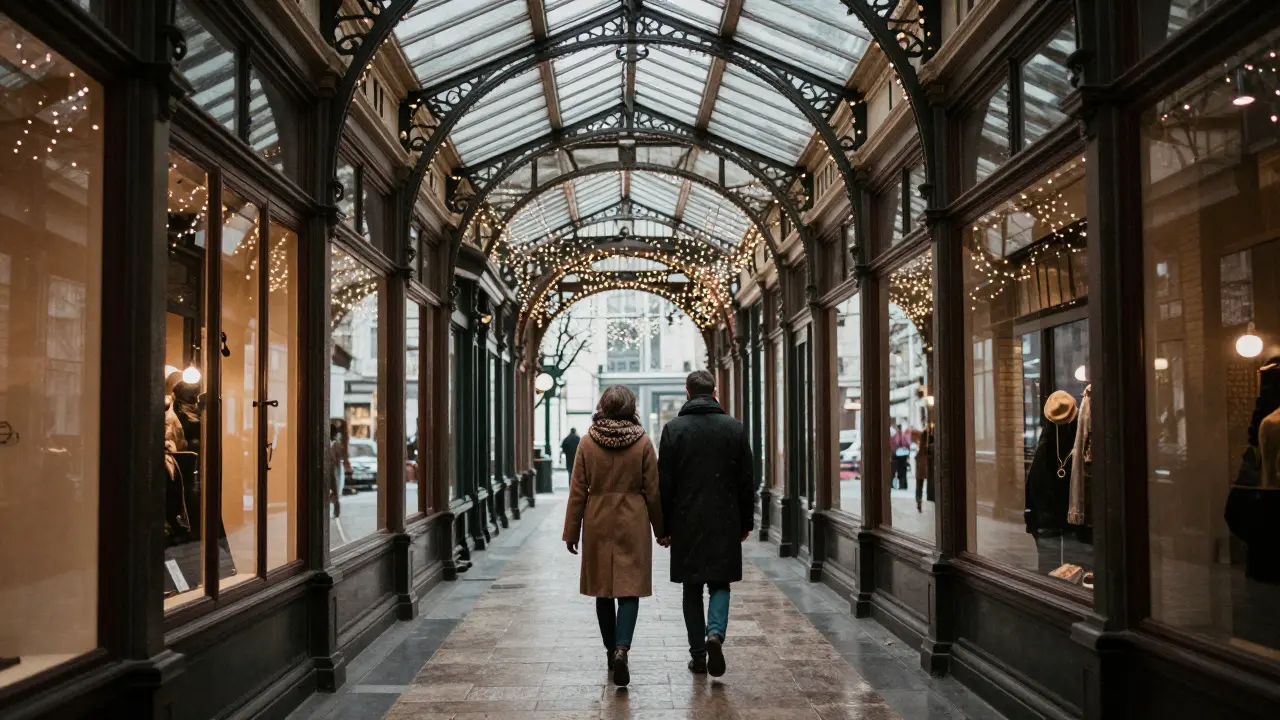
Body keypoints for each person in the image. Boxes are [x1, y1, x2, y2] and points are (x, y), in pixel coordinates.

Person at [562, 387, 664, 687]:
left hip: (597, 518)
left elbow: (578, 491)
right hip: (633, 517)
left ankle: (610, 652)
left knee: (603, 590)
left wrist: (571, 532)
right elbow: (653, 491)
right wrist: (661, 530)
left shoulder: (587, 442)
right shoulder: (643, 441)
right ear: (630, 407)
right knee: (629, 589)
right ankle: (623, 648)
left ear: (602, 406)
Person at [658, 370, 755, 677]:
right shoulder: (734, 428)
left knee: (691, 589)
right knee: (720, 583)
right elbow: (746, 481)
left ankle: (698, 655)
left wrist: (663, 527)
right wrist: (745, 522)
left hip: (685, 519)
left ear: (687, 392)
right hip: (724, 518)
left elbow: (665, 483)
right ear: (714, 391)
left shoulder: (673, 430)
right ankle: (715, 634)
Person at [891, 422, 912, 490]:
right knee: (899, 472)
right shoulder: (899, 436)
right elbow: (907, 445)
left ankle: (901, 485)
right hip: (900, 456)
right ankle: (901, 485)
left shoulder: (899, 436)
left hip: (899, 456)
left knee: (899, 472)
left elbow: (894, 445)